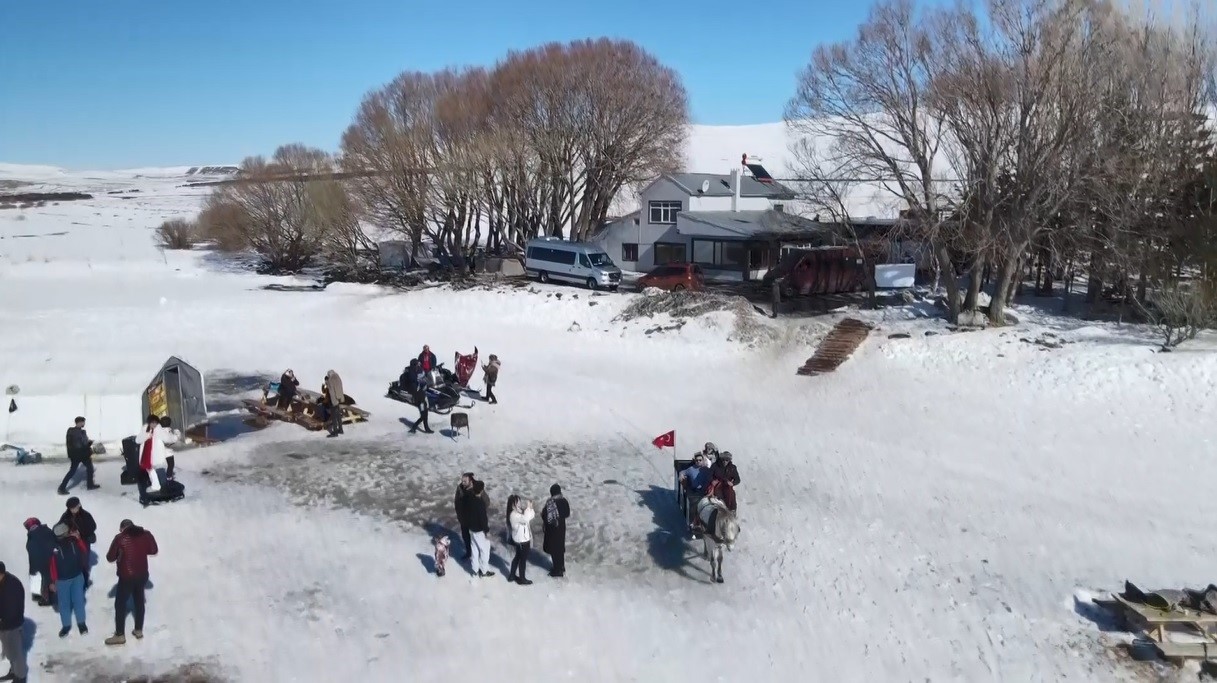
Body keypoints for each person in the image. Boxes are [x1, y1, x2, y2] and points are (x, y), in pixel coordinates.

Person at [104, 520, 158, 646]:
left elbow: (110, 557)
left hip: (126, 576)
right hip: (142, 575)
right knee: (139, 600)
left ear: (123, 528)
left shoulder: (120, 538)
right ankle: (138, 630)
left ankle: (119, 635)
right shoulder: (145, 534)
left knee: (120, 604)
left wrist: (119, 554)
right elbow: (153, 550)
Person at [49, 523, 88, 637]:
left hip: (77, 576)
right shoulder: (54, 548)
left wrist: (79, 539)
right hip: (62, 580)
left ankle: (81, 624)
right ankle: (66, 625)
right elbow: (52, 566)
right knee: (64, 604)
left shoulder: (74, 541)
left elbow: (83, 550)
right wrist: (53, 581)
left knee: (78, 601)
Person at [137, 414, 178, 505]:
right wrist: (147, 436)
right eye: (152, 423)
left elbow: (168, 438)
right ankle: (156, 485)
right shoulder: (145, 429)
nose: (154, 424)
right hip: (146, 452)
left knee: (152, 468)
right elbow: (138, 440)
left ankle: (157, 485)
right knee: (149, 469)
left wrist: (176, 436)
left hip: (154, 453)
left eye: (155, 423)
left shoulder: (159, 430)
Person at [58, 498, 97, 588]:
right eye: (71, 508)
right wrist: (68, 533)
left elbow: (92, 527)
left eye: (75, 507)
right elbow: (60, 527)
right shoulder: (66, 516)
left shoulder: (86, 515)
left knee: (84, 563)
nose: (73, 510)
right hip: (71, 543)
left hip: (83, 542)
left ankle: (84, 582)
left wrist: (80, 533)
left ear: (79, 505)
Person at [0, 563, 28, 683]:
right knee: (9, 651)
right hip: (4, 624)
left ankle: (20, 677)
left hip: (12, 625)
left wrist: (1, 620)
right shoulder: (3, 583)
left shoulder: (12, 586)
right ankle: (14, 671)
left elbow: (11, 609)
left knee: (16, 653)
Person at [58, 416, 99, 495]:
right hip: (79, 455)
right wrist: (89, 444)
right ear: (80, 422)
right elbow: (79, 445)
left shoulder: (77, 431)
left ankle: (90, 485)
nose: (84, 424)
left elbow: (81, 443)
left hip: (79, 455)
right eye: (83, 422)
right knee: (73, 471)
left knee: (89, 468)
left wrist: (87, 443)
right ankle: (61, 488)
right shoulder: (75, 432)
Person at [23, 519, 55, 607]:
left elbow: (30, 547)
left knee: (39, 577)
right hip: (50, 558)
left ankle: (43, 597)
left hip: (38, 561)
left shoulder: (32, 535)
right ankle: (47, 595)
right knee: (48, 577)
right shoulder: (47, 530)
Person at [465, 481, 494, 578]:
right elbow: (483, 519)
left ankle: (475, 570)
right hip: (480, 531)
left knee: (474, 550)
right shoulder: (480, 503)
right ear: (481, 490)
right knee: (485, 550)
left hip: (471, 529)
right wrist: (487, 531)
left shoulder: (469, 499)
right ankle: (484, 571)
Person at [679, 454, 713, 535]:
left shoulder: (706, 469)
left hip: (704, 491)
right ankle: (692, 523)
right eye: (697, 460)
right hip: (694, 491)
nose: (698, 462)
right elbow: (682, 472)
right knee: (694, 505)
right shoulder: (691, 469)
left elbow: (711, 477)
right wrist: (681, 475)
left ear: (703, 461)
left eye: (700, 460)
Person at [542, 484, 570, 578]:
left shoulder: (551, 503)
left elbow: (545, 515)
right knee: (560, 548)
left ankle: (557, 570)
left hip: (552, 530)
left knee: (554, 549)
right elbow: (567, 513)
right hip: (561, 528)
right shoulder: (564, 500)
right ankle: (562, 567)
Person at [506, 496, 535, 585]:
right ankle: (522, 579)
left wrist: (530, 508)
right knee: (522, 560)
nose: (519, 503)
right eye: (517, 502)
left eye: (519, 501)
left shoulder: (517, 512)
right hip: (522, 540)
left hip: (521, 539)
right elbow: (526, 519)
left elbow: (530, 517)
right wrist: (528, 508)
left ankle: (512, 575)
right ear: (513, 504)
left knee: (518, 557)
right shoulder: (514, 515)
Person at [453, 473, 476, 560]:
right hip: (463, 518)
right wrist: (459, 514)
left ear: (470, 481)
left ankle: (476, 555)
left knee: (475, 538)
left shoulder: (476, 489)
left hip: (474, 519)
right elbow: (456, 501)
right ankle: (468, 552)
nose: (463, 483)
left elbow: (486, 502)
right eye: (462, 481)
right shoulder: (459, 488)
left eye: (465, 481)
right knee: (466, 537)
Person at [408, 362, 432, 434]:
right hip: (419, 400)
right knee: (423, 415)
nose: (418, 366)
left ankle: (425, 428)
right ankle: (415, 428)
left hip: (422, 397)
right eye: (416, 365)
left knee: (425, 413)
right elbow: (416, 390)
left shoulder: (416, 373)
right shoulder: (412, 376)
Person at [323, 370, 345, 437]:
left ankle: (335, 432)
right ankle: (341, 430)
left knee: (334, 417)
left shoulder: (330, 380)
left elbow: (331, 391)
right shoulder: (338, 378)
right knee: (338, 416)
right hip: (339, 399)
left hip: (333, 401)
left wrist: (326, 382)